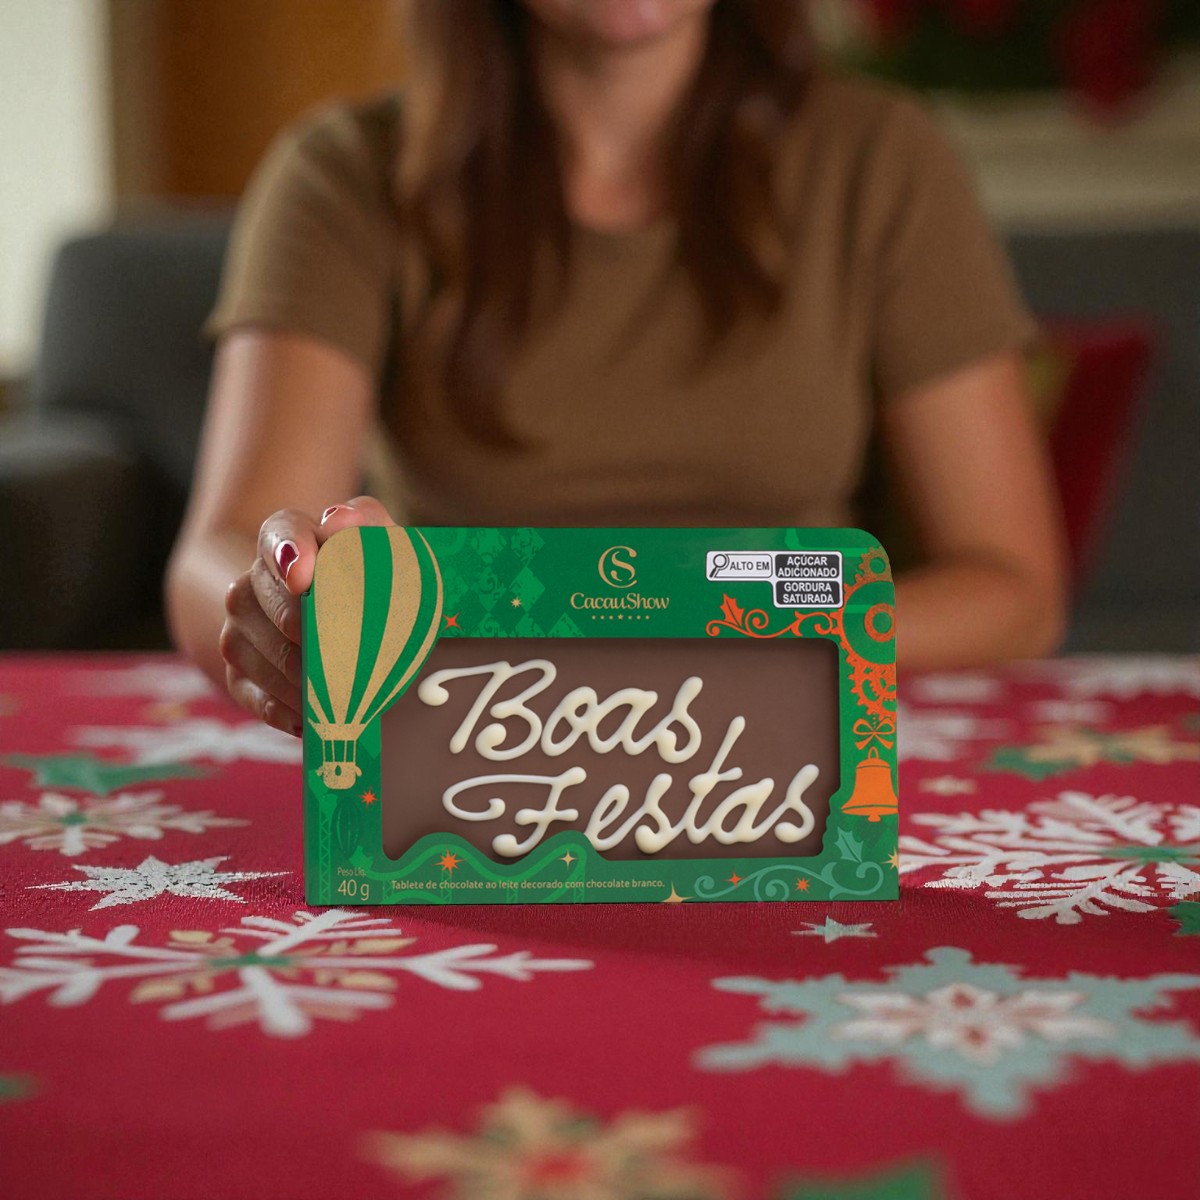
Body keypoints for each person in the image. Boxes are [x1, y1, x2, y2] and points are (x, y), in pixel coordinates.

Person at [165, 0, 1068, 739]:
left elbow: (1015, 588)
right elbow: (222, 552)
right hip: (470, 733)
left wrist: (722, 644)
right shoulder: (341, 175)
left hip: (801, 736)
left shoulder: (884, 160)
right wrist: (282, 618)